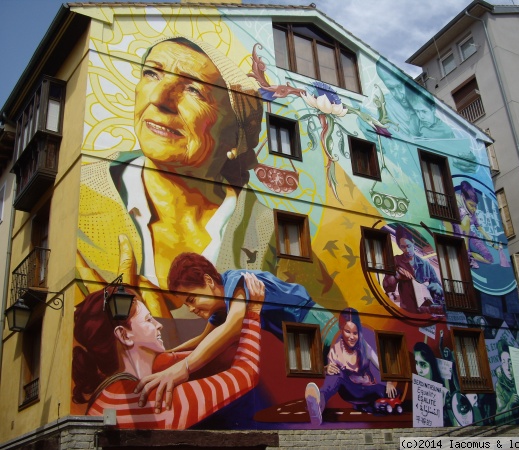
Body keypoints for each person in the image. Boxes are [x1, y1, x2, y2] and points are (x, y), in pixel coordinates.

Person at [77, 36, 267, 317]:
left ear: (235, 138)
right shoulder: (82, 193)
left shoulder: (264, 230)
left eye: (194, 90)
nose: (158, 98)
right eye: (151, 73)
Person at [135, 251, 338, 408]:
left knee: (360, 368)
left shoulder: (238, 282)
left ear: (208, 281)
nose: (192, 309)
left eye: (192, 299)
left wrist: (185, 367)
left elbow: (234, 326)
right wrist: (167, 355)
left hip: (319, 324)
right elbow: (204, 338)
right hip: (302, 342)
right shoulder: (222, 306)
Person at [72, 280, 264, 429]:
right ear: (124, 335)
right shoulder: (154, 402)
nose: (159, 325)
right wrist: (254, 312)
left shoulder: (112, 388)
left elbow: (196, 356)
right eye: (148, 320)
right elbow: (246, 374)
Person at [305, 308, 397, 426]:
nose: (352, 337)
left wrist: (389, 381)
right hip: (350, 391)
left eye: (355, 333)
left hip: (368, 391)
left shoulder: (364, 347)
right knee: (336, 373)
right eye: (347, 331)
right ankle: (319, 402)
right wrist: (325, 368)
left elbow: (381, 365)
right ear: (341, 329)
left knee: (385, 391)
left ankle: (369, 406)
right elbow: (331, 379)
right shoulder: (336, 351)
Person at [383, 228, 443, 313]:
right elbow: (388, 288)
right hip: (408, 311)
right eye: (403, 247)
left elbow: (439, 289)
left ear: (413, 243)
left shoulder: (426, 265)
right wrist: (396, 276)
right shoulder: (396, 260)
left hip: (426, 311)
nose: (406, 250)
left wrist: (437, 287)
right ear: (399, 246)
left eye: (409, 246)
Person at [452, 180, 497, 269]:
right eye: (471, 205)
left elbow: (480, 228)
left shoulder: (473, 215)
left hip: (470, 235)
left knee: (490, 259)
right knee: (466, 218)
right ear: (463, 197)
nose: (474, 209)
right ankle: (466, 253)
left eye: (475, 206)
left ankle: (469, 256)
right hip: (458, 232)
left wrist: (492, 243)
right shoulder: (459, 204)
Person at [495, 339, 519, 424]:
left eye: (510, 362)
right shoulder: (499, 385)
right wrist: (510, 404)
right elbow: (498, 417)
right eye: (504, 362)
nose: (508, 368)